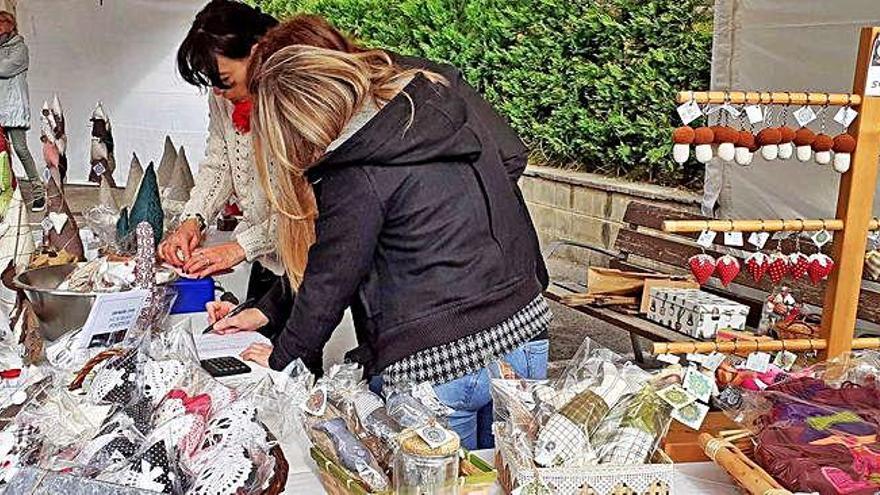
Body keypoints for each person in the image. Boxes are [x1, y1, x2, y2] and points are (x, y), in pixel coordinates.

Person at [208, 41, 552, 450]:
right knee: (510, 478)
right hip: (524, 331)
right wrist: (266, 310)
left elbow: (330, 281)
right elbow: (509, 160)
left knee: (441, 481)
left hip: (438, 363)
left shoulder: (355, 171)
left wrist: (283, 358)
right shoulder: (441, 107)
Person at [161, 0, 281, 297]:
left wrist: (242, 246)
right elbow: (221, 161)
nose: (218, 92)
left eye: (225, 81)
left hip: (316, 259)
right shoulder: (224, 96)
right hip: (269, 258)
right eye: (212, 83)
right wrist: (194, 219)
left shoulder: (292, 98)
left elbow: (310, 206)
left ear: (256, 54)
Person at [0, 11, 44, 212]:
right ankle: (6, 191)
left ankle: (38, 193)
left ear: (11, 25)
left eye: (1, 23)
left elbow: (4, 69)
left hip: (13, 107)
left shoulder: (20, 49)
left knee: (20, 149)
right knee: (2, 152)